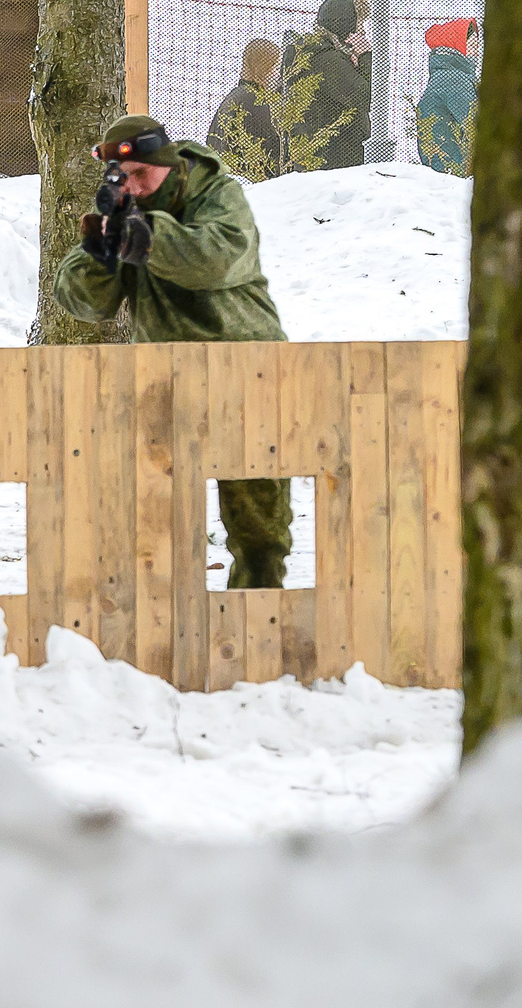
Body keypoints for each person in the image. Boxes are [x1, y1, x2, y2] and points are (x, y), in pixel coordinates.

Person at [51, 116, 293, 589]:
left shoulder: (218, 195)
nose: (136, 187)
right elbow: (83, 300)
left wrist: (145, 237)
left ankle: (260, 643)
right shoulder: (126, 213)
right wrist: (102, 253)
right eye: (126, 177)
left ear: (169, 165)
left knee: (259, 533)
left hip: (247, 374)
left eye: (144, 174)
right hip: (166, 382)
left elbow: (217, 258)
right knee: (154, 526)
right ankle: (163, 644)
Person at [276, 0, 373, 172]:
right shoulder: (326, 59)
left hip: (318, 156)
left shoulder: (314, 53)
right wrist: (365, 56)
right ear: (346, 26)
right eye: (359, 25)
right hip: (333, 159)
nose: (363, 31)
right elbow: (365, 96)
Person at [205, 38, 286, 182]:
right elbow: (271, 154)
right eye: (275, 68)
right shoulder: (254, 102)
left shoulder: (238, 95)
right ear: (262, 68)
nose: (278, 75)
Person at [415, 18, 479, 176]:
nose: (477, 52)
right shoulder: (453, 79)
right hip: (452, 169)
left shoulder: (446, 75)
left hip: (443, 166)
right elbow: (475, 122)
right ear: (458, 45)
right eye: (472, 46)